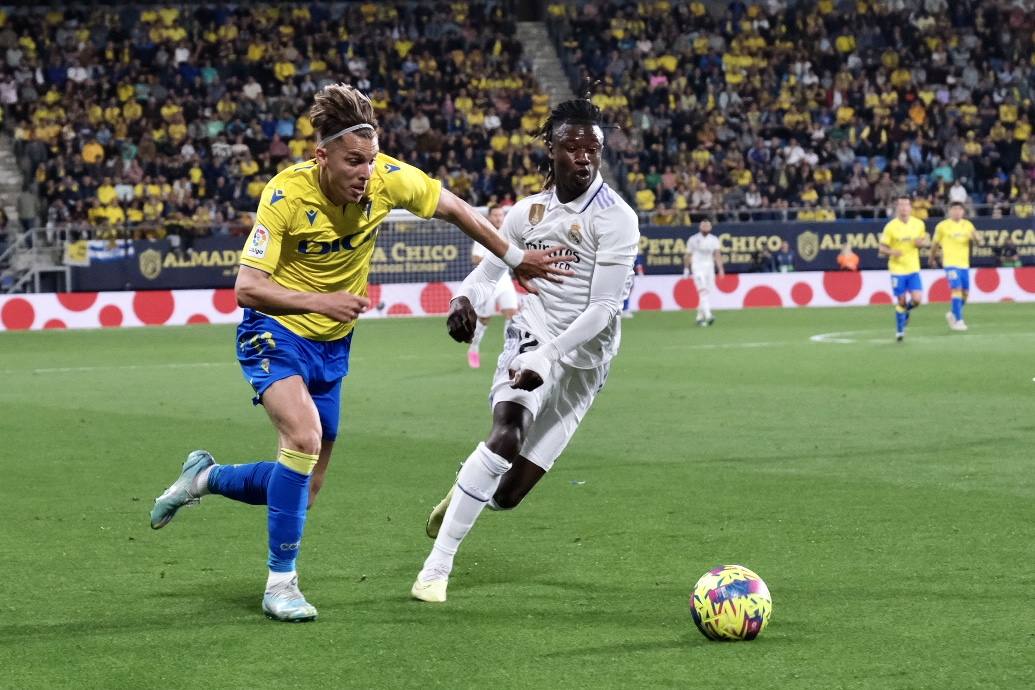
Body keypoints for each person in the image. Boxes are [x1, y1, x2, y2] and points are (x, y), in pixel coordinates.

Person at [147, 84, 570, 623]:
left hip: (331, 345)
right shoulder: (284, 196)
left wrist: (514, 257)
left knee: (304, 484)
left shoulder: (387, 178)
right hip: (273, 331)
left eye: (371, 160)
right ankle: (281, 584)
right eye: (353, 162)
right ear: (320, 155)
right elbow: (247, 287)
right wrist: (319, 299)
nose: (365, 173)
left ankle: (203, 478)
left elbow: (456, 207)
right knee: (302, 438)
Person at [411, 98, 639, 603]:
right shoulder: (526, 213)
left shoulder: (616, 219)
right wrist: (463, 299)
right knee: (507, 432)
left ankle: (464, 487)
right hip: (532, 332)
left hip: (583, 362)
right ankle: (436, 567)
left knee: (507, 494)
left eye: (593, 148)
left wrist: (551, 355)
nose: (584, 157)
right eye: (572, 147)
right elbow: (488, 271)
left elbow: (604, 309)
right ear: (551, 150)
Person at [466, 203, 520, 368]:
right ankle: (473, 347)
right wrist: (495, 261)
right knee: (484, 319)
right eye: (495, 215)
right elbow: (475, 258)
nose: (498, 218)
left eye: (500, 215)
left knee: (512, 314)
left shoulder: (509, 234)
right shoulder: (483, 233)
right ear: (490, 217)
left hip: (504, 281)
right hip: (488, 282)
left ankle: (509, 352)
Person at [879, 196, 929, 341]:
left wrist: (921, 243)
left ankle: (905, 312)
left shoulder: (918, 224)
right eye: (901, 205)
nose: (904, 208)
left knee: (917, 299)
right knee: (901, 300)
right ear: (897, 208)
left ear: (910, 207)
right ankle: (900, 331)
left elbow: (922, 242)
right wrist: (892, 252)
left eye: (906, 205)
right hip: (897, 269)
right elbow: (882, 248)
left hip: (913, 268)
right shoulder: (890, 227)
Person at [930, 201, 980, 331]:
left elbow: (979, 242)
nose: (957, 211)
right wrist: (931, 259)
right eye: (954, 209)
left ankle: (953, 313)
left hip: (964, 264)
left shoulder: (968, 225)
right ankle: (959, 320)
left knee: (965, 293)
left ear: (963, 211)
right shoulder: (942, 226)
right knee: (956, 288)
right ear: (949, 211)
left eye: (959, 209)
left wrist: (976, 238)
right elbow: (935, 244)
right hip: (950, 263)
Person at [682, 219, 724, 326]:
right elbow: (688, 255)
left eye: (707, 226)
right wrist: (686, 269)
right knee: (703, 291)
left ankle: (699, 317)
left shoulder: (714, 239)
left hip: (709, 268)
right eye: (703, 226)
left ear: (710, 227)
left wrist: (720, 269)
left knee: (706, 292)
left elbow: (717, 254)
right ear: (700, 227)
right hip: (697, 267)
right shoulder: (693, 239)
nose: (705, 228)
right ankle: (709, 315)